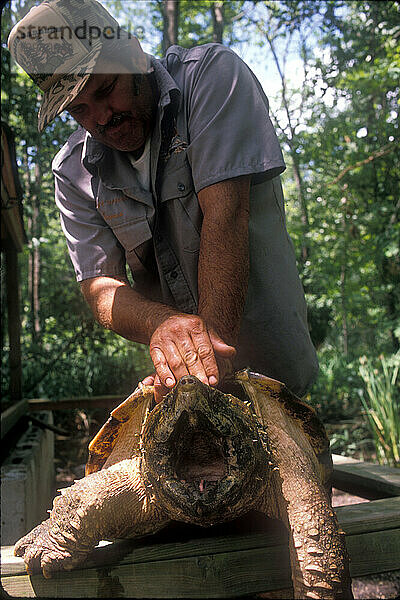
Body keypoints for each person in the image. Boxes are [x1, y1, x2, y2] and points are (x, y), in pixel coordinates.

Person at [8, 0, 318, 402]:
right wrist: (165, 325)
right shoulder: (73, 170)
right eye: (78, 110)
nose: (102, 118)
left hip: (275, 384)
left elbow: (226, 216)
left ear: (135, 56)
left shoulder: (211, 78)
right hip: (181, 386)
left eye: (105, 90)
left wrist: (209, 364)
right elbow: (100, 286)